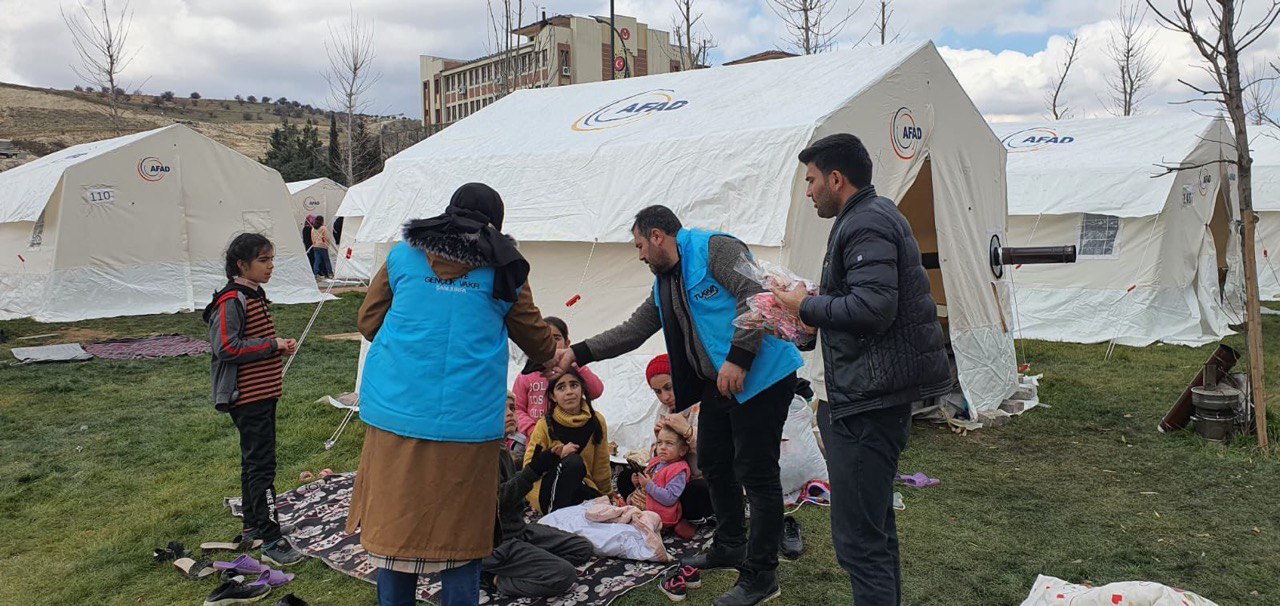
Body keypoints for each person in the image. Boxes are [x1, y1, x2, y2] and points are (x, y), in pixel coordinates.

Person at [553, 206, 804, 606]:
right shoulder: (665, 282)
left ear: (657, 236)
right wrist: (578, 352)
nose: (639, 255)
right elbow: (634, 330)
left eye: (639, 245)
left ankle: (761, 576)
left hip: (763, 375)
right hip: (720, 383)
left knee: (757, 474)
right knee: (715, 462)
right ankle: (730, 545)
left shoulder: (715, 248)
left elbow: (756, 298)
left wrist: (740, 357)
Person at [346, 183, 560, 606]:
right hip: (468, 421)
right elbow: (538, 342)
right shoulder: (506, 269)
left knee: (395, 531)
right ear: (495, 223)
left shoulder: (403, 255)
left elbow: (369, 321)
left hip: (396, 412)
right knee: (462, 537)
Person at [770, 133, 952, 606]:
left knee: (859, 541)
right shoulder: (867, 216)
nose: (808, 191)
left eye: (811, 180)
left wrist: (805, 304)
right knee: (873, 529)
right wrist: (806, 310)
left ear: (836, 179)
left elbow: (873, 308)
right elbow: (863, 302)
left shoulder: (866, 222)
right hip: (867, 395)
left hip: (866, 404)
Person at [202, 232, 305, 567]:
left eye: (272, 259)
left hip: (262, 395)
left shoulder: (252, 295)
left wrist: (276, 346)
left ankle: (253, 526)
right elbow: (226, 347)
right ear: (241, 265)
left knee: (254, 463)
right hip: (248, 397)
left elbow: (249, 340)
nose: (270, 266)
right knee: (262, 466)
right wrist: (272, 345)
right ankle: (271, 539)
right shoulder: (232, 300)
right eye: (263, 260)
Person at [482, 406, 595, 598]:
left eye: (512, 408)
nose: (509, 413)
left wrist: (543, 464)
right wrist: (533, 470)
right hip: (495, 543)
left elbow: (515, 497)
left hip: (518, 531)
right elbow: (497, 502)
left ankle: (529, 563)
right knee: (563, 575)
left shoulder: (503, 450)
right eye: (501, 408)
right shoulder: (482, 455)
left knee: (581, 548)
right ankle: (490, 578)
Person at [616, 354, 713, 524]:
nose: (665, 397)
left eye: (669, 387)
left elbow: (715, 452)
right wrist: (659, 441)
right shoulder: (663, 410)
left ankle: (684, 518)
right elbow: (657, 458)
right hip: (666, 478)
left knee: (698, 490)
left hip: (695, 478)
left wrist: (688, 432)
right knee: (626, 477)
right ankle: (656, 511)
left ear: (682, 379)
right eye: (658, 392)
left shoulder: (703, 405)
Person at [523, 368, 615, 514]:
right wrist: (557, 456)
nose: (569, 392)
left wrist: (607, 496)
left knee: (598, 507)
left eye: (574, 385)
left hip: (581, 486)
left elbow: (601, 465)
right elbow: (530, 466)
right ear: (553, 396)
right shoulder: (545, 425)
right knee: (573, 462)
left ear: (582, 389)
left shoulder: (596, 421)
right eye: (561, 388)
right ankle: (555, 519)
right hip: (548, 493)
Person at [512, 317, 604, 441]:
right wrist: (533, 430)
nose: (551, 344)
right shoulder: (526, 376)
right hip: (538, 441)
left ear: (567, 343)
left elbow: (596, 391)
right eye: (544, 339)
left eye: (556, 338)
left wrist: (575, 364)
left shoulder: (574, 369)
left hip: (572, 438)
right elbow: (517, 408)